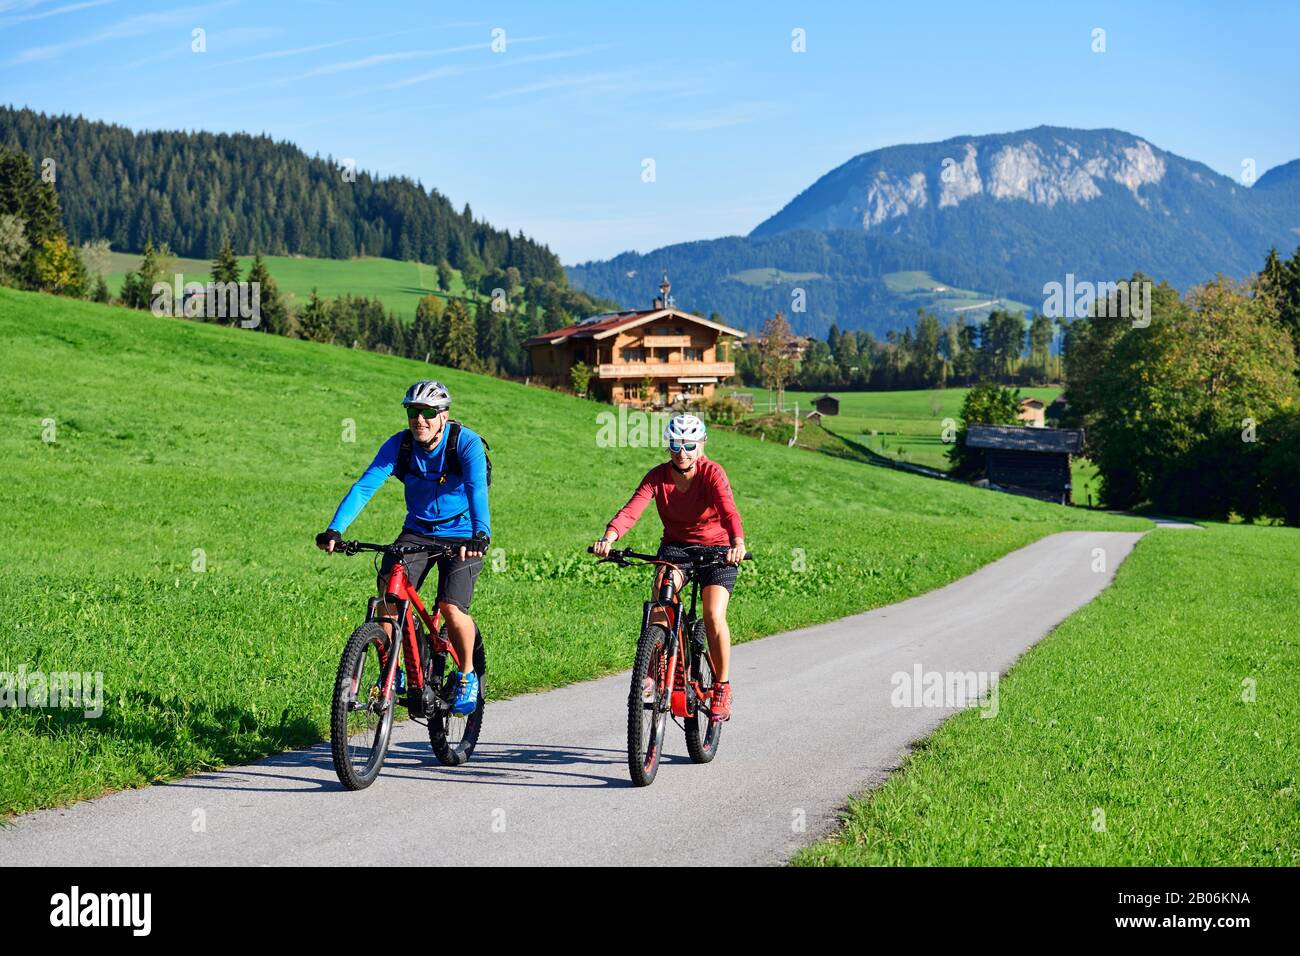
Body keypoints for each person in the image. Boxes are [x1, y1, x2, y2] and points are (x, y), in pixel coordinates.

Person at [316, 380, 489, 714]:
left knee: (451, 608)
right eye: (413, 412)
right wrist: (336, 529)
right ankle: (391, 667)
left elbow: (477, 489)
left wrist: (480, 534)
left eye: (427, 412)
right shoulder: (400, 446)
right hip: (418, 531)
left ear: (443, 415)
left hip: (463, 533)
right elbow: (365, 487)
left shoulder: (464, 444)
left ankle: (467, 674)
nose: (419, 420)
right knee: (388, 594)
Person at [592, 413, 746, 721]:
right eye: (676, 444)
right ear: (668, 444)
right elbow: (631, 510)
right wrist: (608, 538)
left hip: (718, 551)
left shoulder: (712, 473)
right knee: (661, 598)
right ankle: (656, 666)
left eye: (690, 445)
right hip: (677, 550)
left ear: (701, 445)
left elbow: (729, 510)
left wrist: (737, 543)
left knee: (714, 614)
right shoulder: (657, 477)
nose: (683, 452)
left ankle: (721, 687)